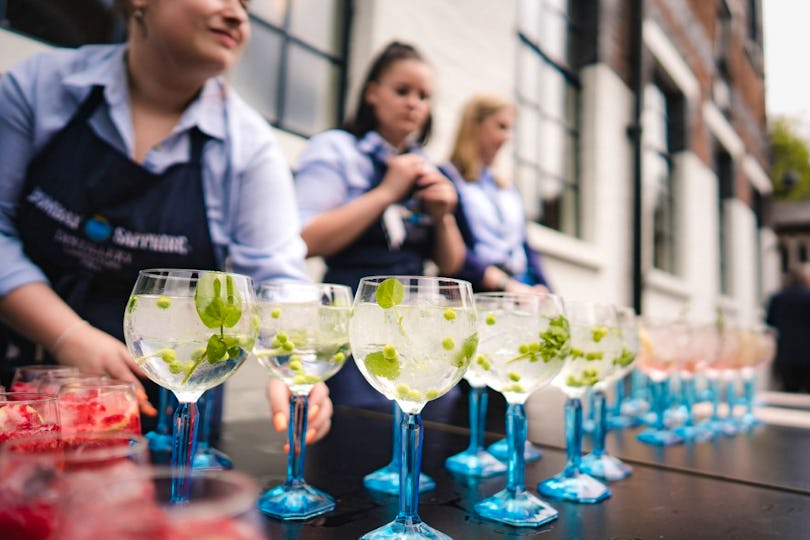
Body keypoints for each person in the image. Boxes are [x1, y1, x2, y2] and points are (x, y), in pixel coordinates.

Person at [0, 0, 331, 442]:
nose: (239, 15)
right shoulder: (40, 86)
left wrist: (292, 366)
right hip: (19, 387)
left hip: (168, 410)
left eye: (247, 5)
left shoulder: (250, 149)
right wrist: (69, 336)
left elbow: (277, 277)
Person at [293, 41, 466, 409]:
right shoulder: (336, 151)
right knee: (355, 433)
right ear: (372, 93)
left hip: (420, 329)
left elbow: (451, 266)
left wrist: (443, 217)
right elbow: (304, 240)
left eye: (424, 96)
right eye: (402, 91)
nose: (414, 103)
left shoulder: (429, 168)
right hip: (350, 328)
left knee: (430, 426)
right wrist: (387, 192)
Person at [439, 93, 551, 293]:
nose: (507, 137)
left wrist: (545, 289)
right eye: (501, 127)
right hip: (481, 292)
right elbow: (453, 251)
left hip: (521, 289)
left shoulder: (506, 186)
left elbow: (524, 244)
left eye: (510, 129)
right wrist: (505, 285)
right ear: (475, 125)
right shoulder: (447, 178)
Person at [765, 264, 810, 393]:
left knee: (790, 391)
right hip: (807, 354)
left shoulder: (777, 298)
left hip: (786, 354)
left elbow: (770, 322)